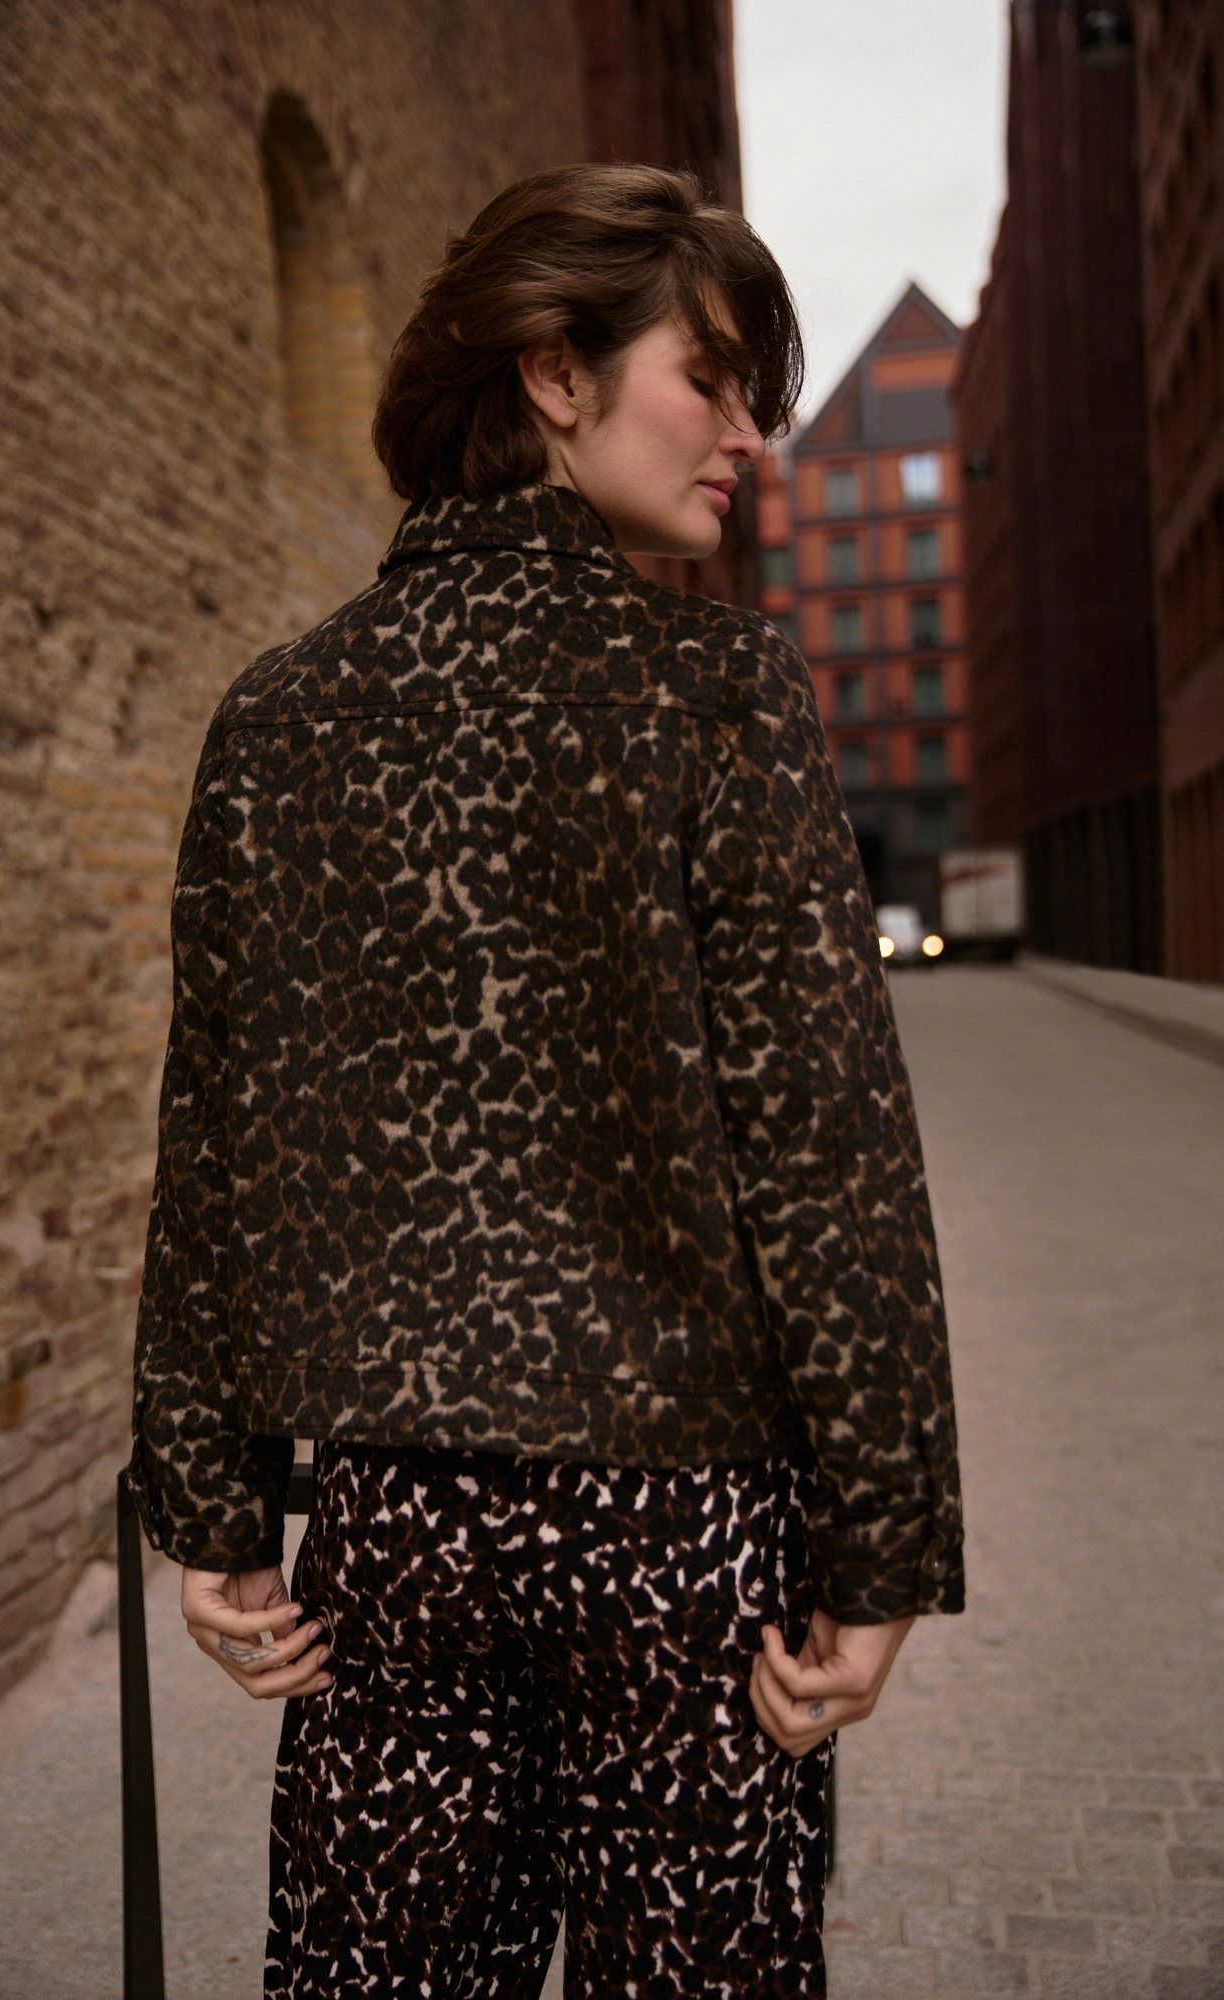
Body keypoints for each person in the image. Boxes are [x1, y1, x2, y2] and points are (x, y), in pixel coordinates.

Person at [128, 162, 964, 1999]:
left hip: (393, 1535)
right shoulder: (716, 694)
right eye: (710, 380)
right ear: (555, 374)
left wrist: (211, 1508)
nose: (747, 436)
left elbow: (219, 1143)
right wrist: (878, 1552)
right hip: (680, 1541)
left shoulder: (278, 714)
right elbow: (825, 1162)